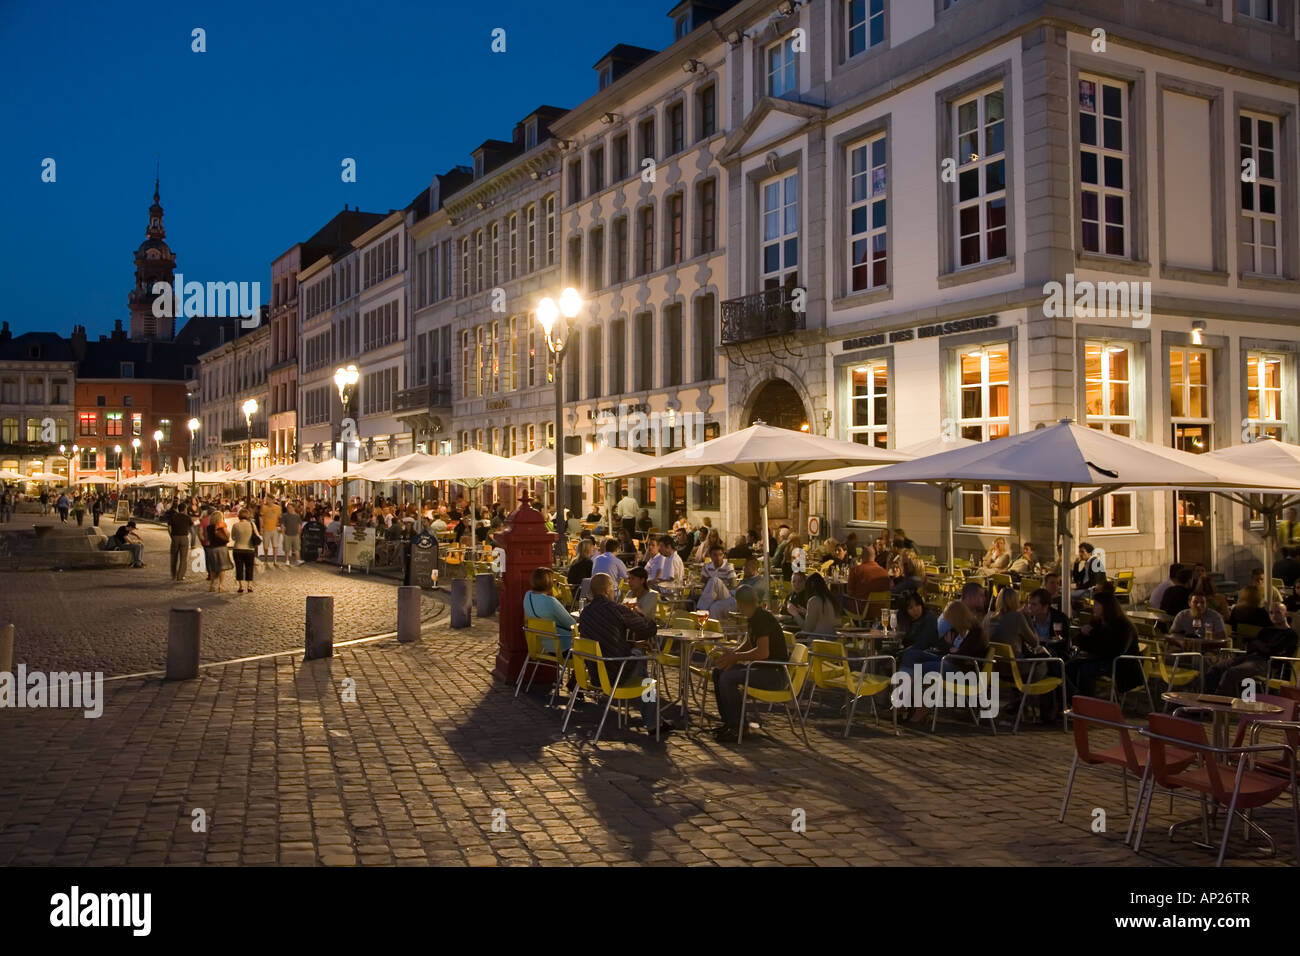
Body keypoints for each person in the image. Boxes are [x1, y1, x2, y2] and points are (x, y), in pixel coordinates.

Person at [576, 573, 671, 735]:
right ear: (607, 590)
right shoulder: (616, 610)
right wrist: (638, 612)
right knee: (645, 674)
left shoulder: (585, 613)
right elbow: (648, 628)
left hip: (596, 674)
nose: (614, 591)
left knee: (639, 658)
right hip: (616, 673)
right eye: (613, 587)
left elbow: (604, 642)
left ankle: (653, 720)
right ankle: (653, 722)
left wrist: (632, 644)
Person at [710, 585, 790, 743]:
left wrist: (736, 657)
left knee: (728, 678)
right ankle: (728, 721)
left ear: (739, 603)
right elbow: (750, 641)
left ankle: (738, 726)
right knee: (719, 671)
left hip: (774, 673)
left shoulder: (761, 618)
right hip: (762, 669)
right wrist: (733, 655)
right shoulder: (754, 617)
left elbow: (763, 652)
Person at [1206, 603, 1298, 696]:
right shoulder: (1266, 630)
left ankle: (1223, 703)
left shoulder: (1290, 634)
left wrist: (1261, 646)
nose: (1274, 615)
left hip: (1267, 663)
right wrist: (1260, 646)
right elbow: (1252, 646)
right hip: (1249, 657)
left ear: (1285, 614)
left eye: (1278, 612)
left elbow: (1277, 652)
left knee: (1231, 673)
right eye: (1271, 613)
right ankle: (1209, 698)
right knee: (1215, 668)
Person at [1065, 591, 1141, 703]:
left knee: (1085, 669)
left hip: (1122, 664)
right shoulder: (1097, 622)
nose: (1093, 607)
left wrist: (1092, 643)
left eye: (1096, 604)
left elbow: (1116, 650)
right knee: (1070, 666)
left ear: (1106, 607)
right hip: (1101, 659)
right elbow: (1079, 642)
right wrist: (1083, 633)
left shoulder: (1123, 626)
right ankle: (1073, 700)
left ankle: (1086, 704)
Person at [523, 567, 576, 655]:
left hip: (541, 645)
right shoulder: (550, 601)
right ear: (549, 583)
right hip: (563, 647)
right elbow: (571, 624)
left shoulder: (527, 596)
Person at [1024, 587, 1071, 653]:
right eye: (1029, 603)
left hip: (1053, 659)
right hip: (1031, 656)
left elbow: (1063, 647)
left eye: (1034, 604)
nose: (1029, 607)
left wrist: (1047, 651)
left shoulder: (1060, 619)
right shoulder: (1026, 618)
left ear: (1045, 606)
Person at [791, 571, 837, 636]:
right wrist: (806, 612)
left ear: (811, 585)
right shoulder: (828, 599)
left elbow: (806, 630)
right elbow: (821, 619)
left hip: (817, 642)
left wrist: (795, 614)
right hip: (831, 640)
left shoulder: (814, 601)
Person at [697, 544, 738, 617]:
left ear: (723, 555)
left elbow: (733, 586)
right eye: (715, 555)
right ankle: (705, 610)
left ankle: (701, 609)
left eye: (720, 555)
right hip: (712, 597)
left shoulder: (728, 567)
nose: (718, 558)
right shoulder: (707, 567)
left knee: (714, 580)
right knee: (711, 583)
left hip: (726, 596)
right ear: (710, 556)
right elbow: (702, 584)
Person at [164, 499, 195, 583]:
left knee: (174, 557)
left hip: (175, 537)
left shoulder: (173, 517)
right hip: (184, 538)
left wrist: (171, 535)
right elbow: (192, 526)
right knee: (183, 558)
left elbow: (169, 527)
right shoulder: (187, 517)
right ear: (185, 509)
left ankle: (173, 574)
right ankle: (180, 576)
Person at [230, 508, 258, 594]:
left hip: (238, 549)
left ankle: (240, 586)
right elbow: (257, 535)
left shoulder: (235, 525)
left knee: (239, 567)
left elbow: (233, 537)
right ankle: (249, 586)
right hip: (249, 549)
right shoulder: (252, 524)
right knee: (249, 567)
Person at [203, 510, 231, 592]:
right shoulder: (222, 525)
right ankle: (220, 585)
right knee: (222, 568)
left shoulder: (209, 527)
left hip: (212, 548)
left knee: (213, 568)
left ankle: (212, 585)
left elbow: (207, 538)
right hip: (222, 548)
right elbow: (227, 535)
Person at [281, 501, 303, 566]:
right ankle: (287, 560)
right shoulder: (285, 515)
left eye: (290, 507)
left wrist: (299, 533)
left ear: (293, 508)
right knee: (287, 548)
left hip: (295, 534)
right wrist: (283, 533)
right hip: (287, 534)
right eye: (288, 507)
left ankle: (297, 560)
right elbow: (282, 525)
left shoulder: (297, 516)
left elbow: (299, 525)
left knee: (297, 548)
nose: (289, 509)